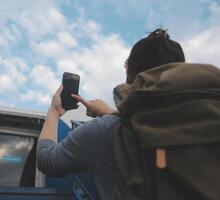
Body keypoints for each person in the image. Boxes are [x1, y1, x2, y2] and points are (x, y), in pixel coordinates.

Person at [36, 28, 185, 200]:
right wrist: (108, 112)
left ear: (131, 73)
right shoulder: (206, 122)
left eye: (127, 64)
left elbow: (46, 160)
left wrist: (54, 113)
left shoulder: (107, 131)